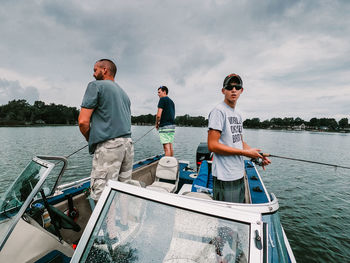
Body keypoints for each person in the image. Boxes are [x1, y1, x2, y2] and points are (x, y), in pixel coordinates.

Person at [207, 73, 270, 203]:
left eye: (237, 87)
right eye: (229, 87)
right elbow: (212, 145)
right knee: (227, 219)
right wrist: (244, 152)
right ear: (223, 91)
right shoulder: (218, 111)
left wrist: (257, 155)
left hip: (239, 173)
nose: (233, 90)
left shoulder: (238, 114)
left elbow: (239, 142)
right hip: (225, 176)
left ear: (242, 90)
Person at [78, 59, 134, 202]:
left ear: (105, 70)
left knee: (101, 195)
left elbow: (83, 122)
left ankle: (106, 225)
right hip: (128, 145)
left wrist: (90, 138)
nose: (93, 74)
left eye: (95, 70)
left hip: (109, 147)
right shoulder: (125, 94)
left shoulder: (95, 86)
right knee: (123, 191)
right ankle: (123, 222)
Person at [155, 86, 175, 156]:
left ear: (164, 92)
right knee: (170, 145)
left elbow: (158, 115)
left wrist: (157, 124)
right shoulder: (172, 102)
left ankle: (168, 165)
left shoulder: (162, 99)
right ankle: (172, 163)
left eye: (159, 92)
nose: (158, 94)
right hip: (172, 126)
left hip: (164, 126)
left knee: (166, 148)